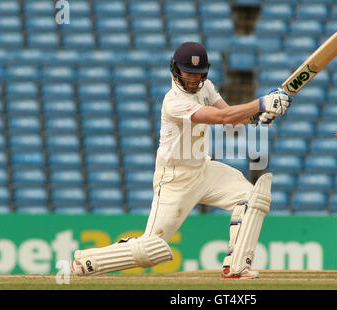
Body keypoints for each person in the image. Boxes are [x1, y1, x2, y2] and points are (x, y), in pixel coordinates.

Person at [71, 42, 292, 279]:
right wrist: (260, 104)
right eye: (188, 73)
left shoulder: (205, 87)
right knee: (151, 250)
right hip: (175, 179)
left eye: (198, 74)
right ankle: (88, 261)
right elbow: (220, 117)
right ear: (175, 70)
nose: (193, 79)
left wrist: (258, 116)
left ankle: (236, 266)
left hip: (203, 170)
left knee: (253, 198)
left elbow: (232, 121)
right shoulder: (173, 102)